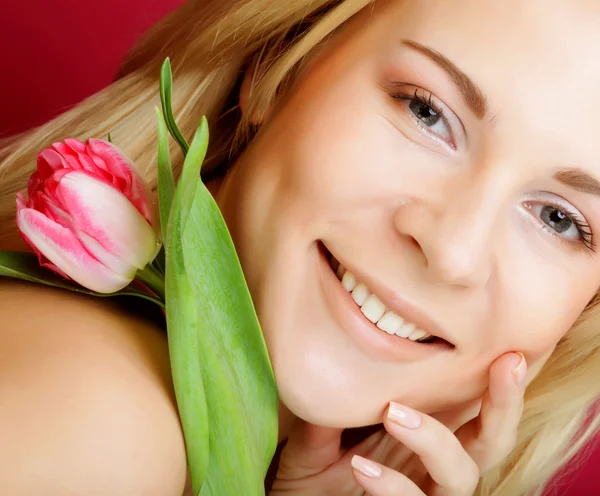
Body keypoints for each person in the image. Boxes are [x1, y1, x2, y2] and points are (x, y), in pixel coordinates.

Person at [1, 0, 599, 494]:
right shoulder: (101, 424)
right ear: (276, 68)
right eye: (426, 111)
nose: (453, 252)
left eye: (559, 219)